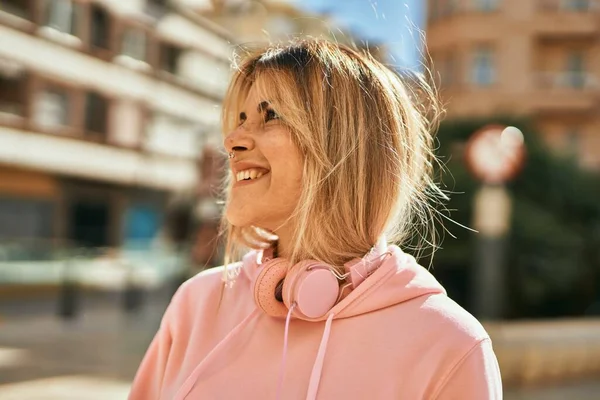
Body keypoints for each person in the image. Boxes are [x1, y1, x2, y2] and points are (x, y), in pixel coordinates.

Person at [129, 39, 502, 399]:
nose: (232, 140)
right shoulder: (197, 304)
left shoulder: (450, 346)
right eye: (241, 118)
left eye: (270, 115)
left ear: (346, 148)